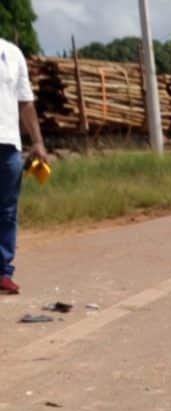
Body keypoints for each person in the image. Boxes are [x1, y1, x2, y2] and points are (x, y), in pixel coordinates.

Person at [0, 37, 48, 295]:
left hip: (8, 144)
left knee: (7, 212)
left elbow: (26, 102)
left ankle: (3, 273)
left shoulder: (12, 53)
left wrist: (38, 141)